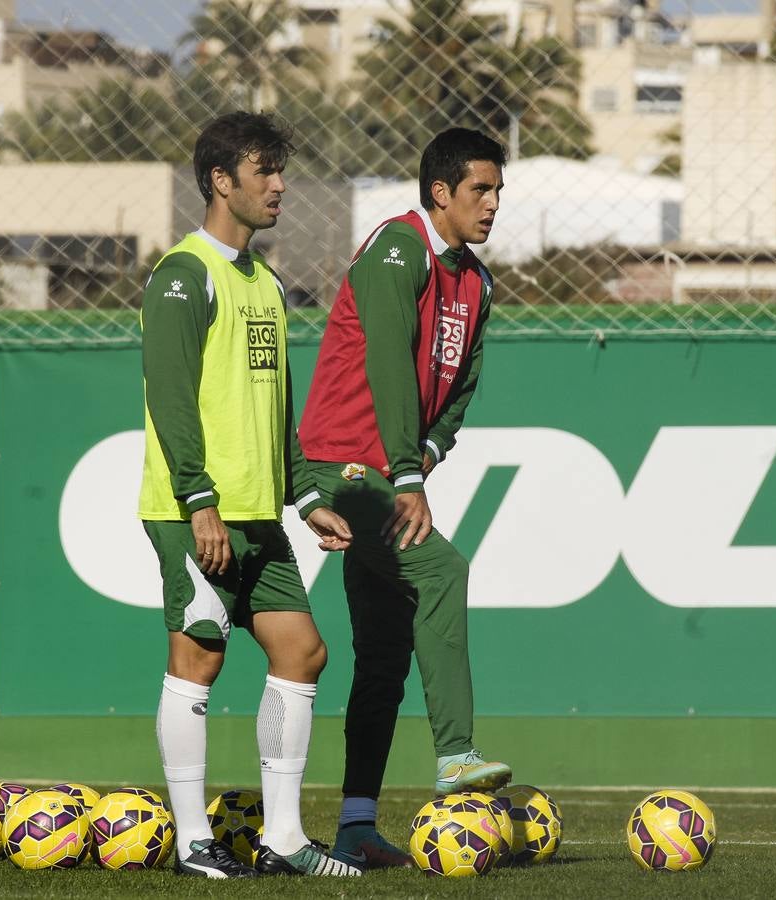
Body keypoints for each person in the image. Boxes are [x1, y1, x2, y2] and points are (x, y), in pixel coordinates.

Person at [139, 111, 360, 879]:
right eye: (263, 171)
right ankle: (193, 841)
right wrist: (199, 499)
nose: (280, 185)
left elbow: (274, 405)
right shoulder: (183, 272)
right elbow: (169, 394)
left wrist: (304, 496)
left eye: (280, 170)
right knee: (198, 659)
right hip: (192, 511)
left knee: (302, 652)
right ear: (219, 181)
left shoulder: (263, 281)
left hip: (260, 513)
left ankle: (285, 840)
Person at [295, 127, 512, 870]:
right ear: (440, 193)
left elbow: (458, 397)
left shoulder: (477, 284)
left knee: (384, 651)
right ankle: (455, 756)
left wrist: (427, 453)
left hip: (391, 470)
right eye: (479, 190)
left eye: (498, 191)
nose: (492, 204)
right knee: (442, 572)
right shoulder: (399, 247)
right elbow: (390, 361)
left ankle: (356, 824)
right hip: (342, 468)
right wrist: (406, 475)